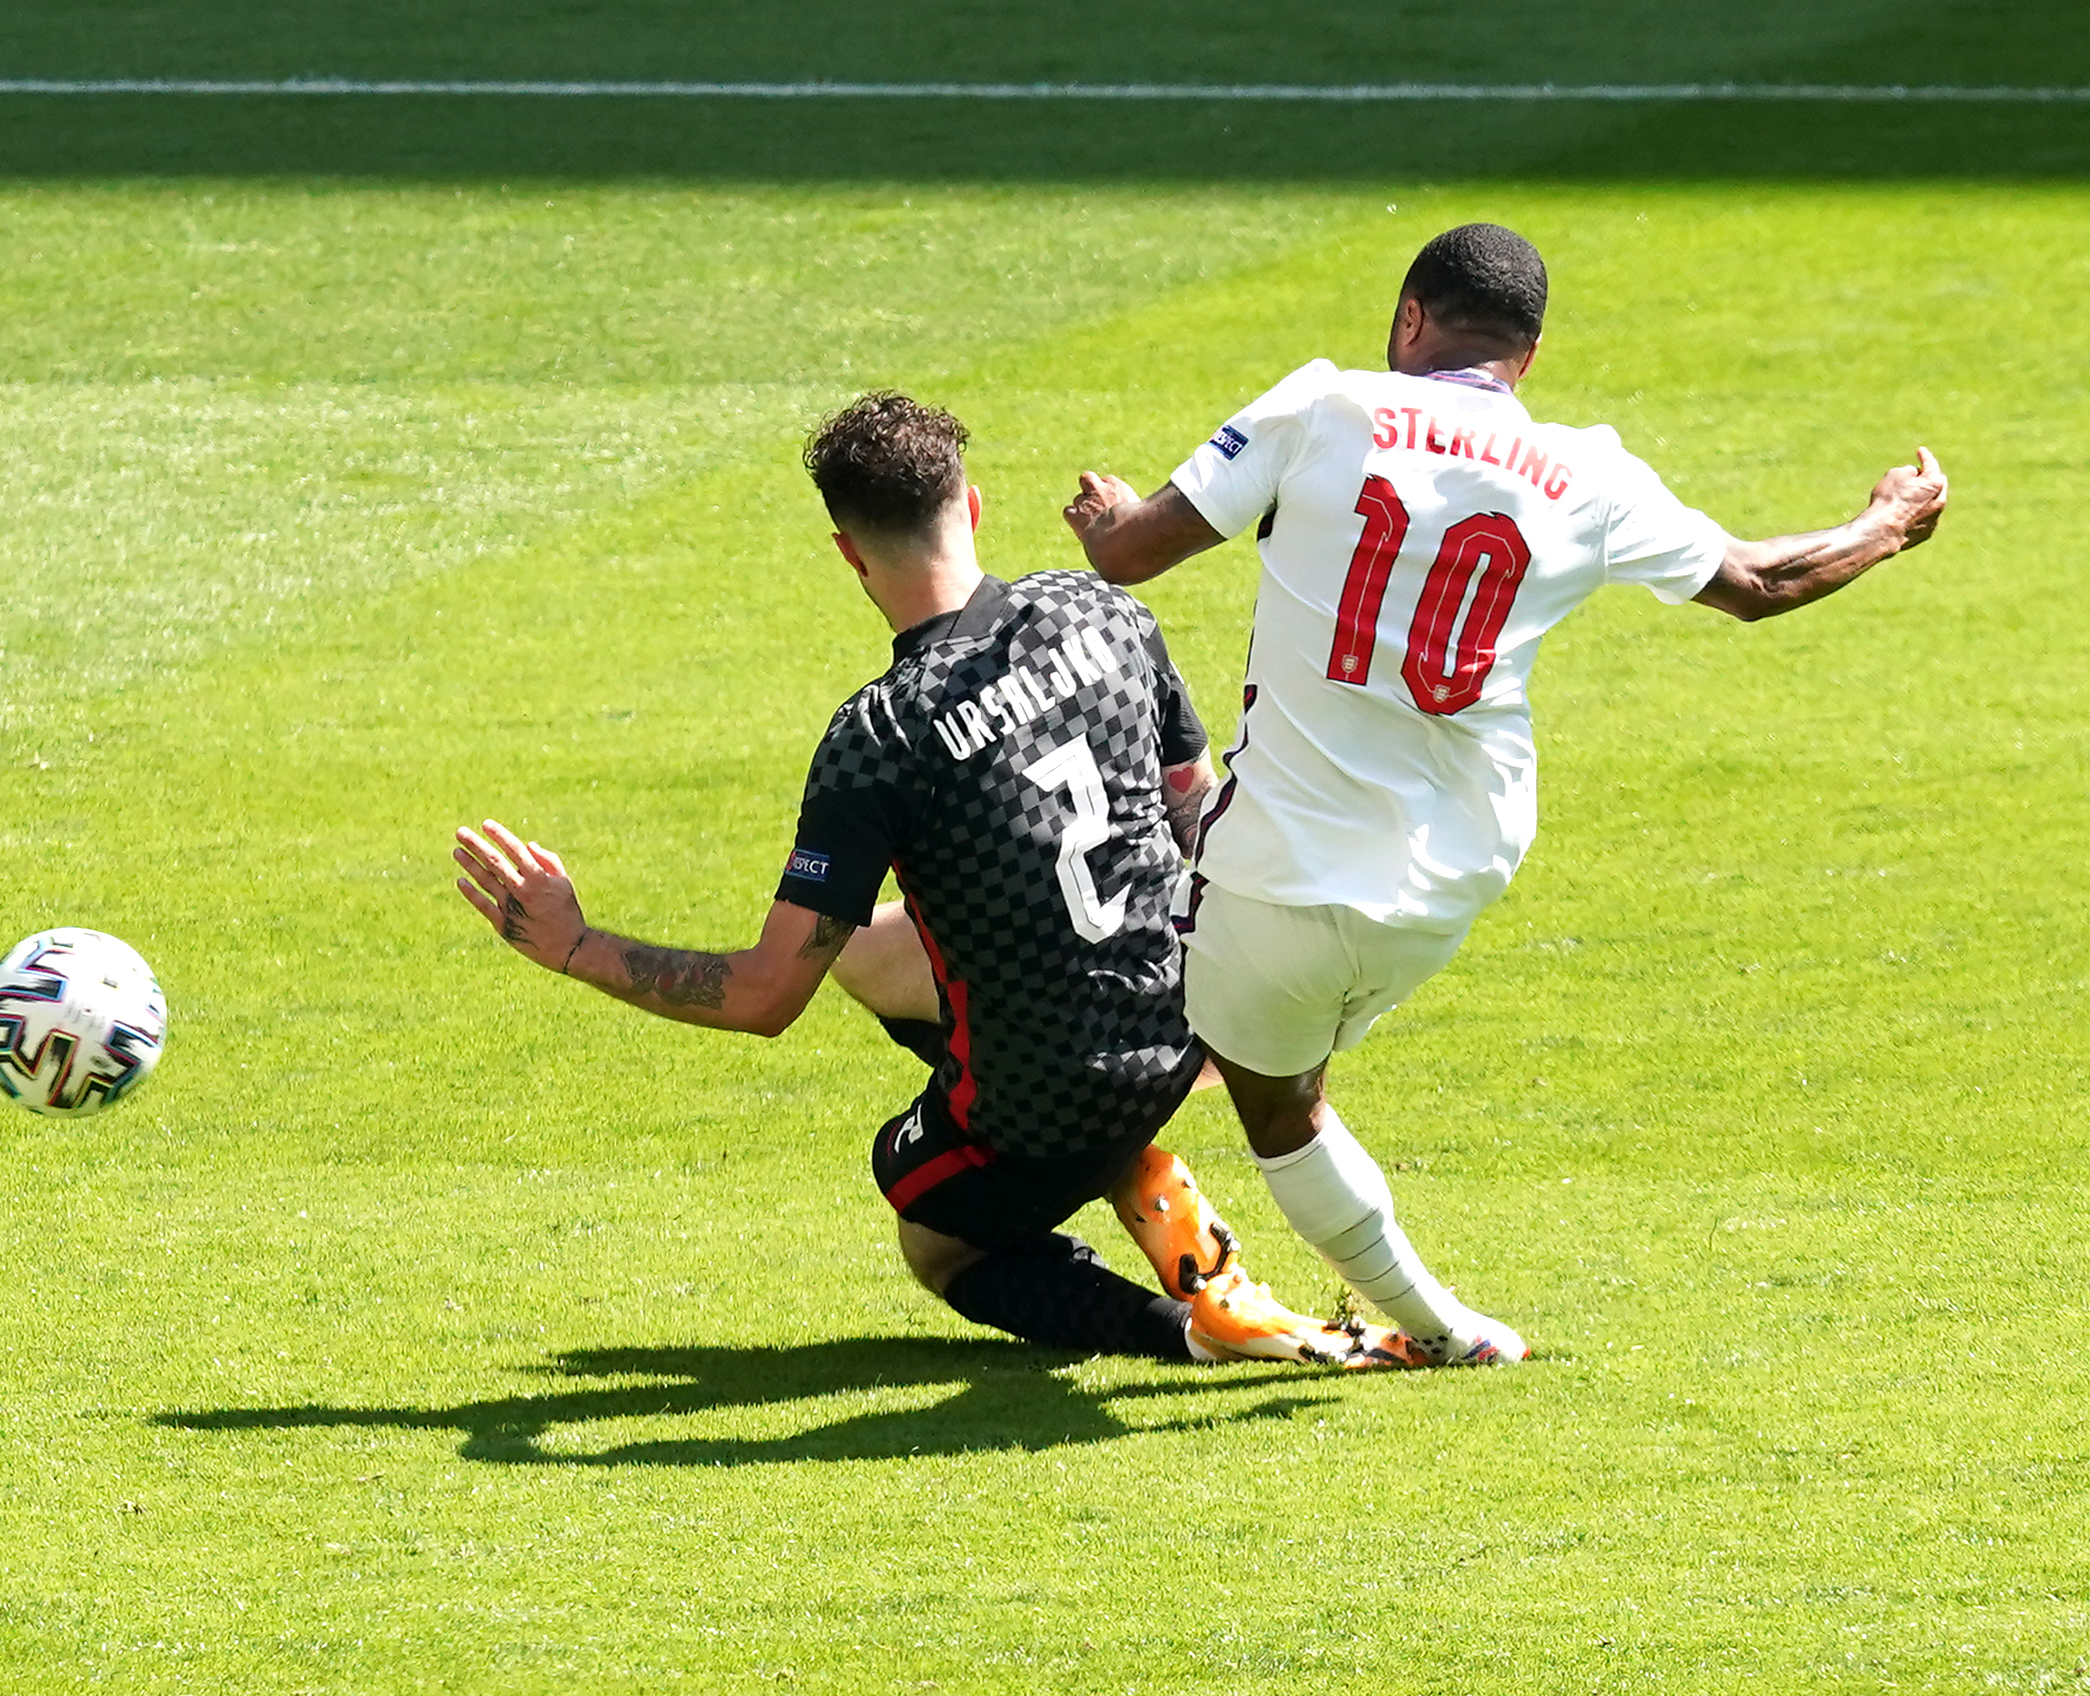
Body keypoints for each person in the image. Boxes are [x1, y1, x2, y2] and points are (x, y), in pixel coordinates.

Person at [1060, 223, 1949, 1367]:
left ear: (1408, 318)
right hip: (1450, 879)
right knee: (1290, 1035)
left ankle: (1434, 1323)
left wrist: (1104, 517)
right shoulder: (1587, 472)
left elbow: (1130, 554)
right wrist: (1888, 521)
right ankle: (1410, 1306)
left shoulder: (1325, 405)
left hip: (1281, 870)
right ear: (1526, 357)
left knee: (1265, 1090)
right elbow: (1756, 583)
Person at [454, 391, 1353, 1367]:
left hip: (1063, 1090)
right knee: (870, 954)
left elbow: (763, 994)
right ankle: (1128, 1162)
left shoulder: (879, 734)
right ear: (971, 506)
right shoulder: (1106, 610)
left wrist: (575, 945)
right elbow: (1200, 816)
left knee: (932, 1226)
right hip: (1189, 1013)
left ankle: (1195, 1328)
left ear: (847, 552)